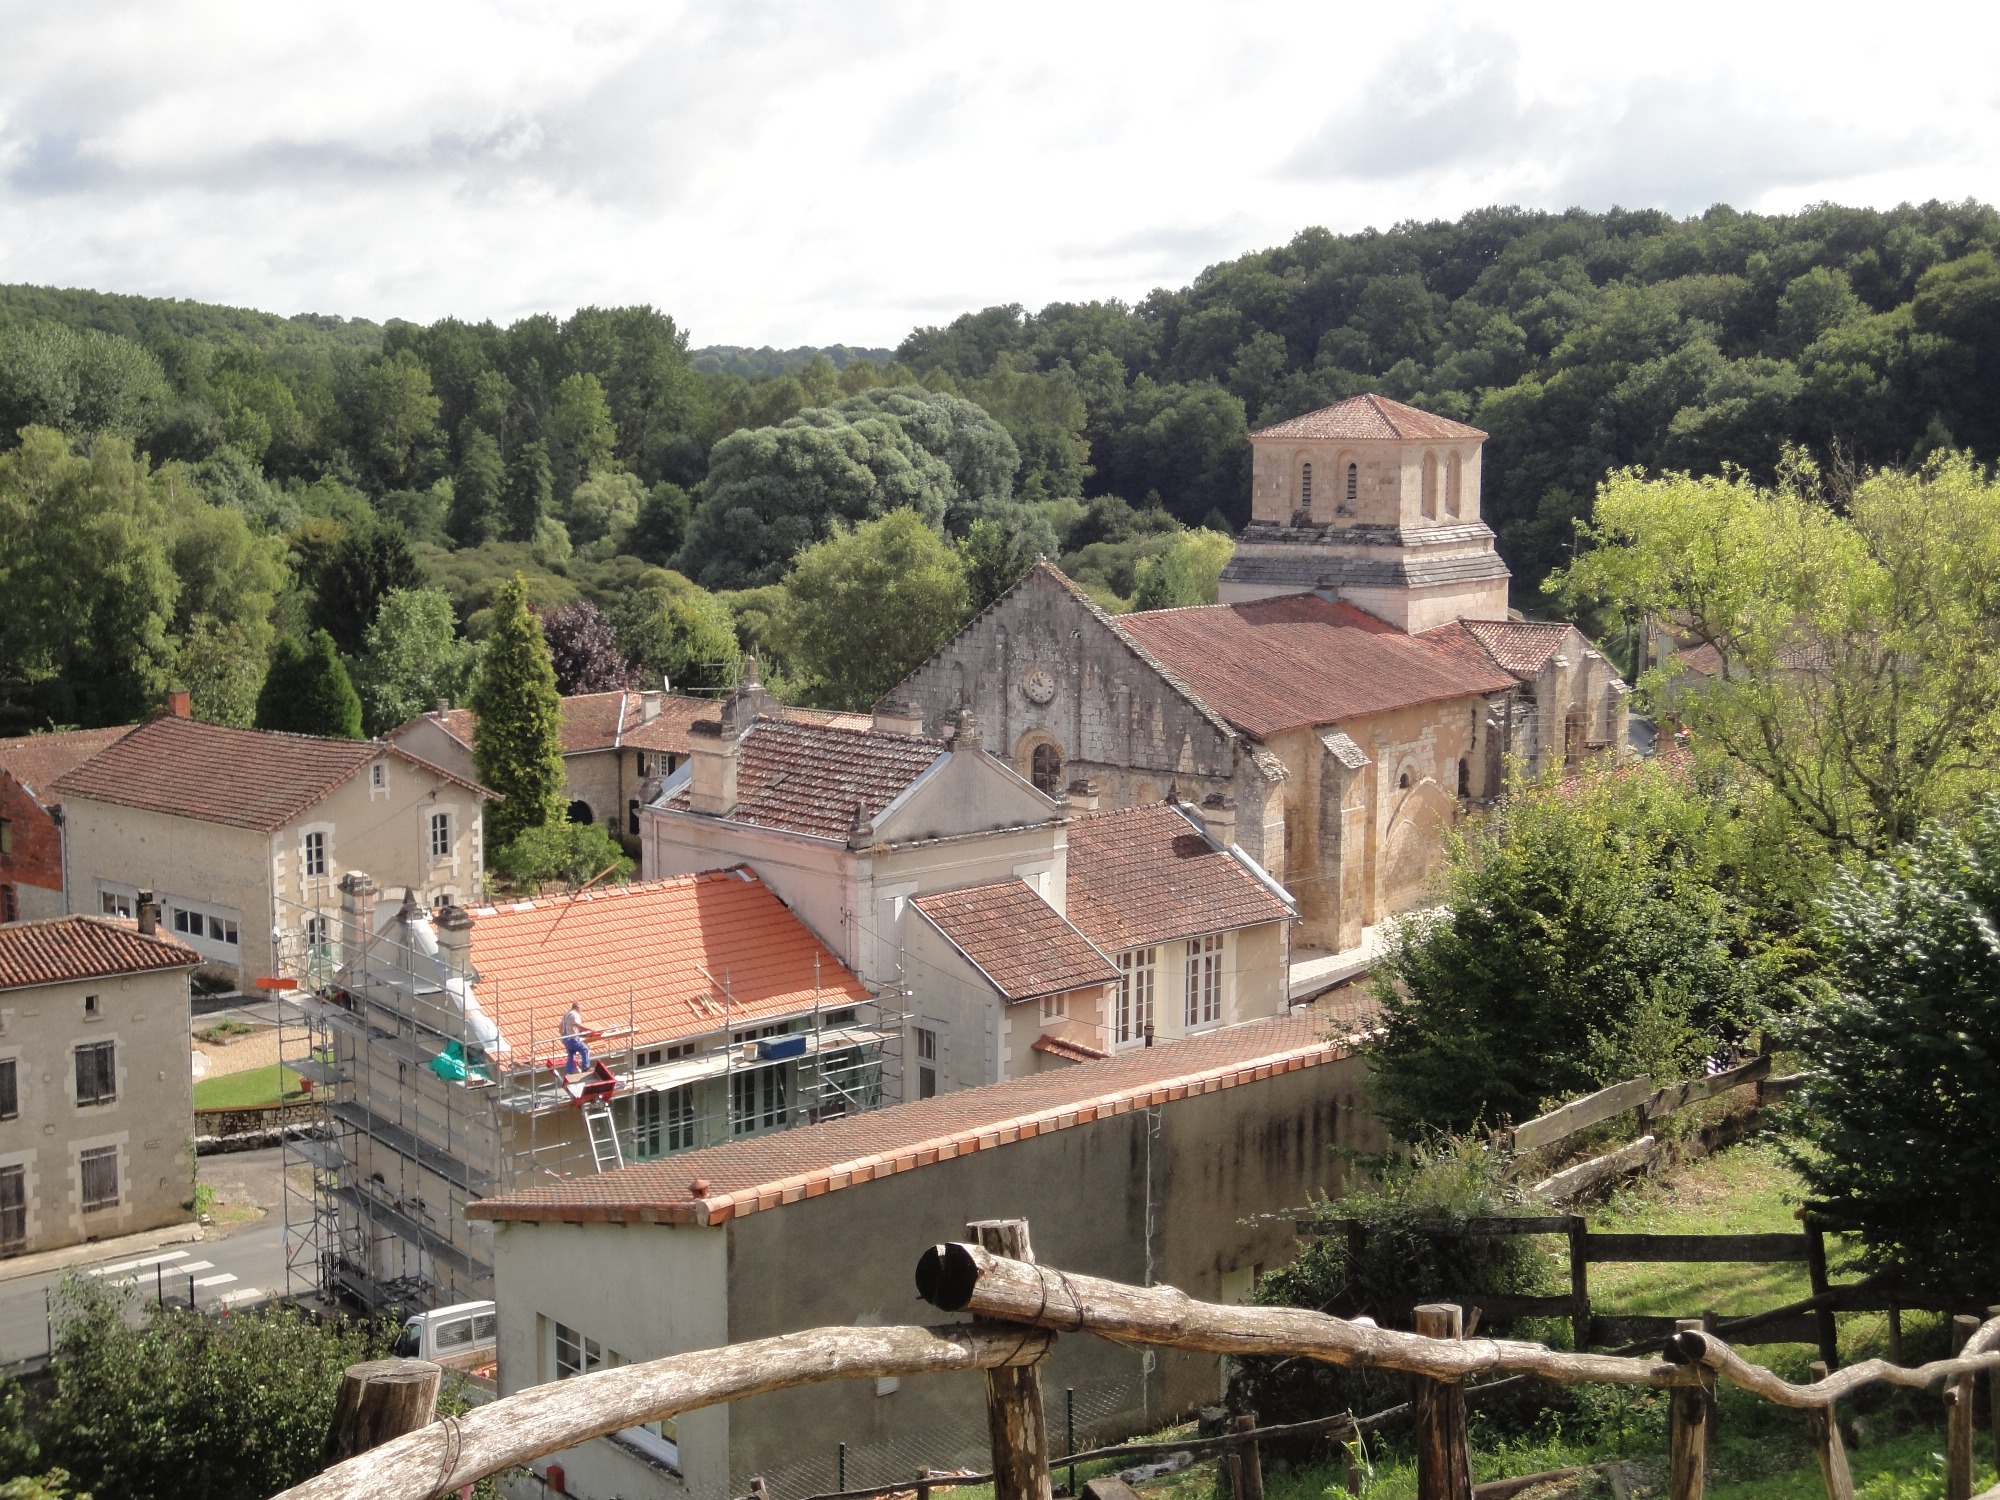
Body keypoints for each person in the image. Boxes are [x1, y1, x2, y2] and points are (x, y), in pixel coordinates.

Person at [560, 1001, 591, 1075]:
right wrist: (589, 1030)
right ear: (578, 1008)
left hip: (566, 1039)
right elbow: (577, 1025)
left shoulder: (566, 1015)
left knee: (571, 1053)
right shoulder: (574, 1015)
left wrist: (562, 1036)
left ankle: (569, 1070)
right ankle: (585, 1067)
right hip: (572, 1039)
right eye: (580, 1008)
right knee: (585, 1049)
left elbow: (560, 1027)